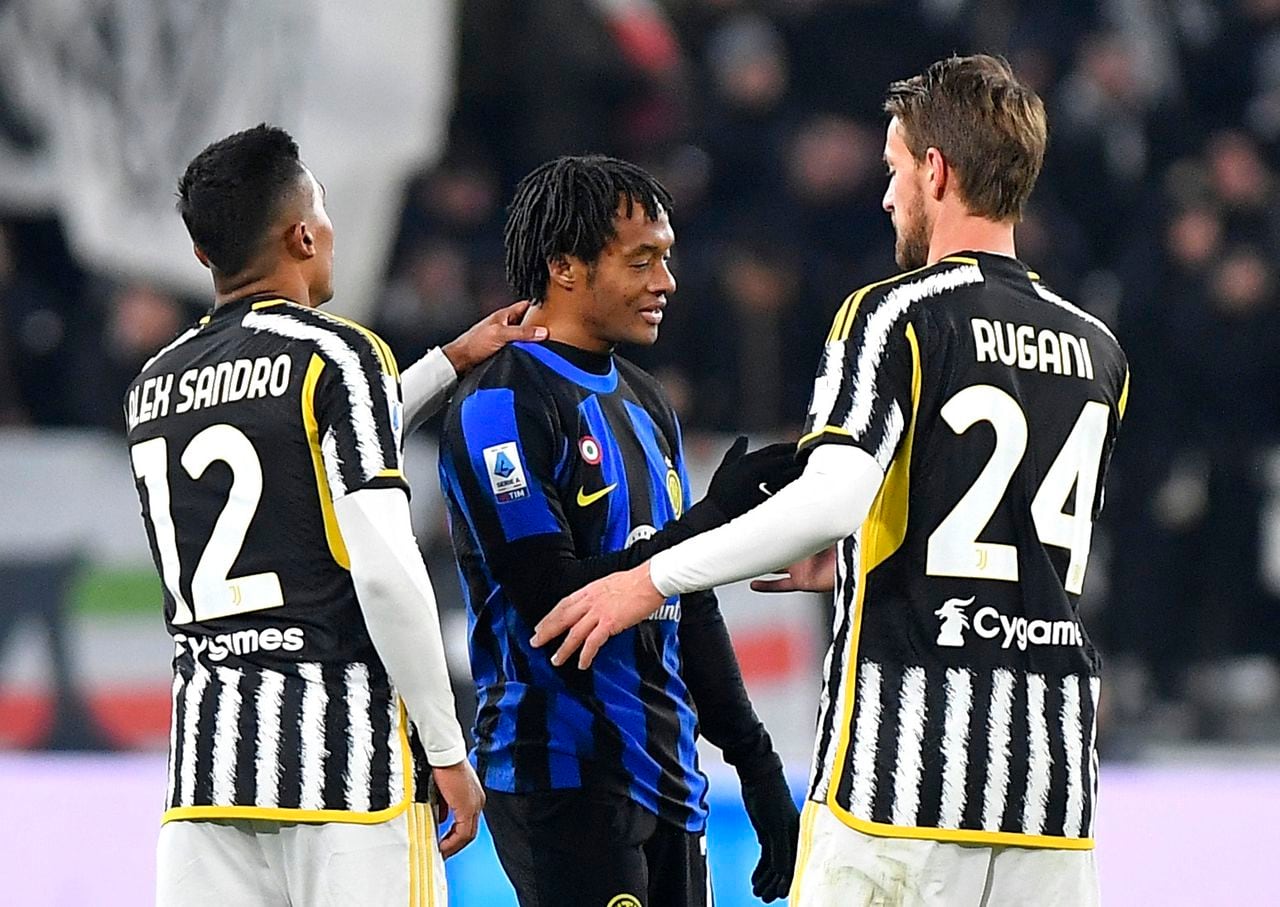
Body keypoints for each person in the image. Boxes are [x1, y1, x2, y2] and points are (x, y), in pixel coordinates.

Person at [534, 56, 1129, 907]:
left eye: (894, 171)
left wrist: (648, 578)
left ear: (936, 171)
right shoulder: (1097, 350)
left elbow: (830, 499)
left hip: (904, 792)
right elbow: (1018, 543)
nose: (887, 197)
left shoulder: (895, 312)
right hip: (1053, 795)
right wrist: (859, 557)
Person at [126, 124, 544, 907]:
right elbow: (387, 574)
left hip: (205, 782)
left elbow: (288, 444)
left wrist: (446, 362)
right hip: (348, 779)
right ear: (302, 234)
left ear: (203, 255)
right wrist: (448, 748)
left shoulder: (151, 385)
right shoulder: (337, 355)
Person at [438, 155, 801, 906]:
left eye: (666, 258)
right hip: (562, 773)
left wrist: (759, 770)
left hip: (669, 780)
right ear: (565, 267)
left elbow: (681, 597)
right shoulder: (500, 403)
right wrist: (705, 524)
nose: (665, 281)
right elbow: (553, 604)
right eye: (642, 260)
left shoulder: (645, 401)